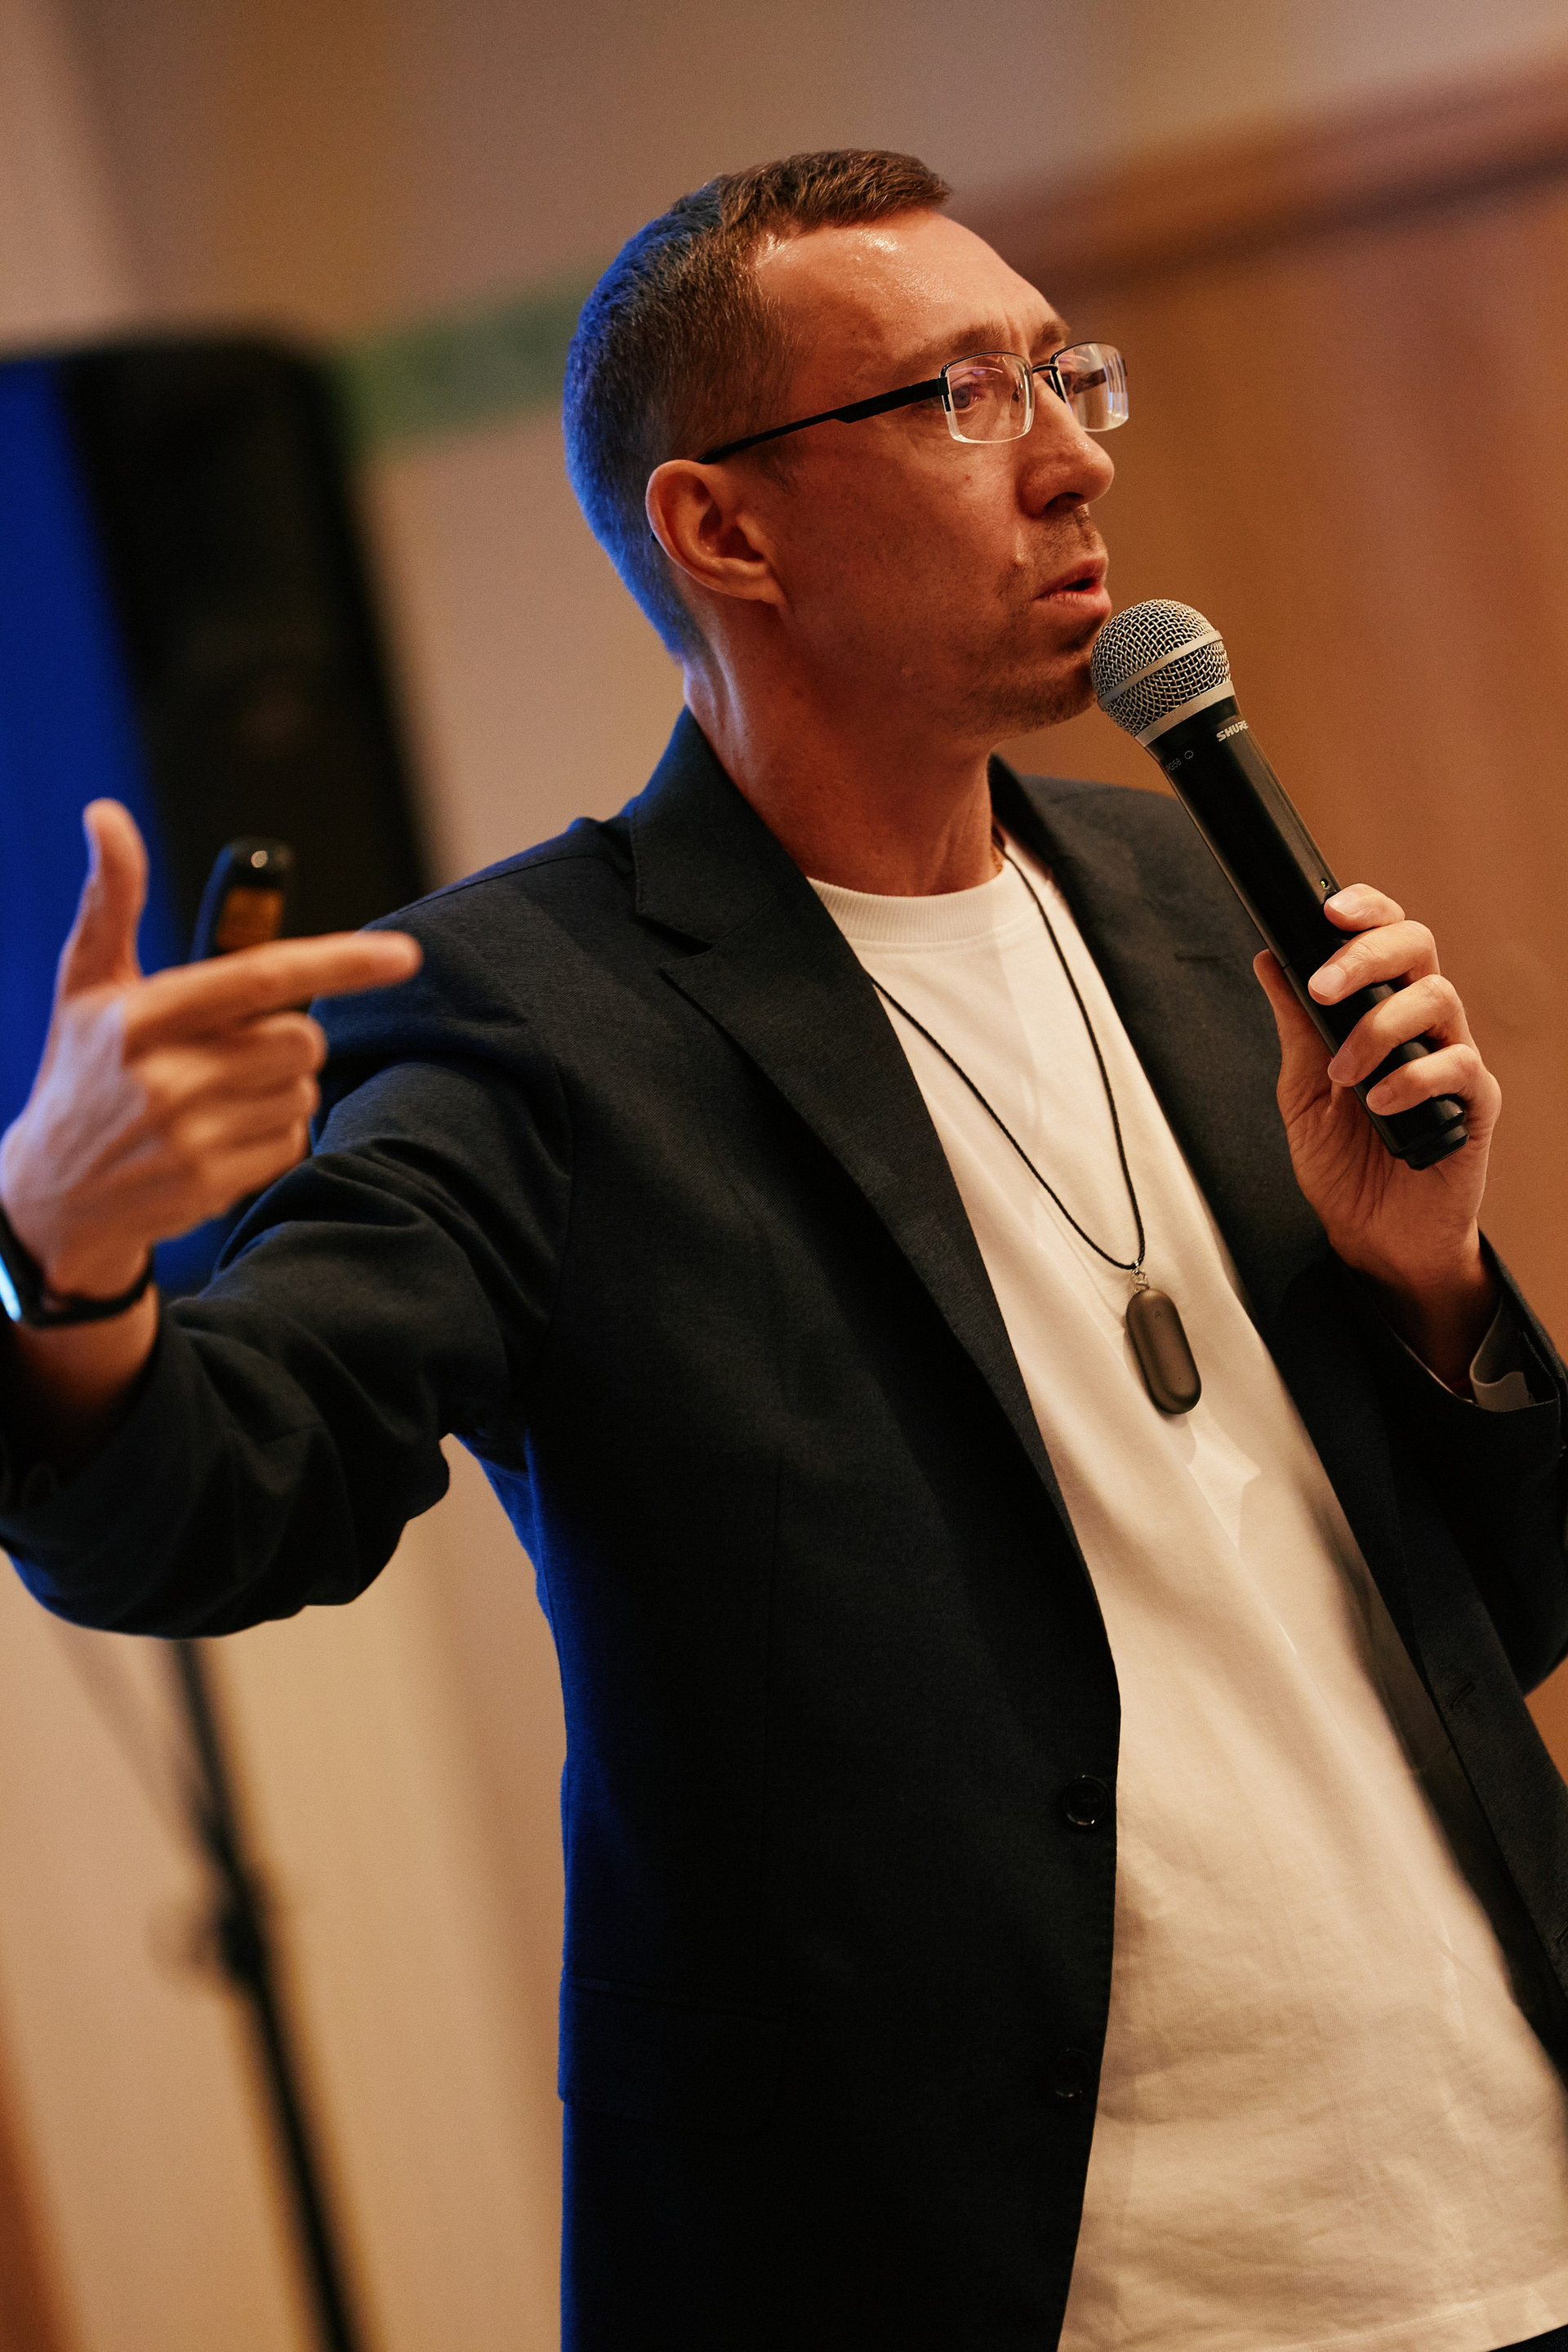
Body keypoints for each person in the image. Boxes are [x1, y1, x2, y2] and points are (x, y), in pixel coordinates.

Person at [2, 149, 1566, 2352]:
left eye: (1067, 373)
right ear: (722, 529)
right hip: (1018, 2276)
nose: (1074, 455)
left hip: (1500, 2190)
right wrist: (59, 1260)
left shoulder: (1182, 897)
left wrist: (1427, 1282)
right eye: (964, 397)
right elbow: (213, 1511)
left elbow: (1514, 1607)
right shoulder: (528, 1015)